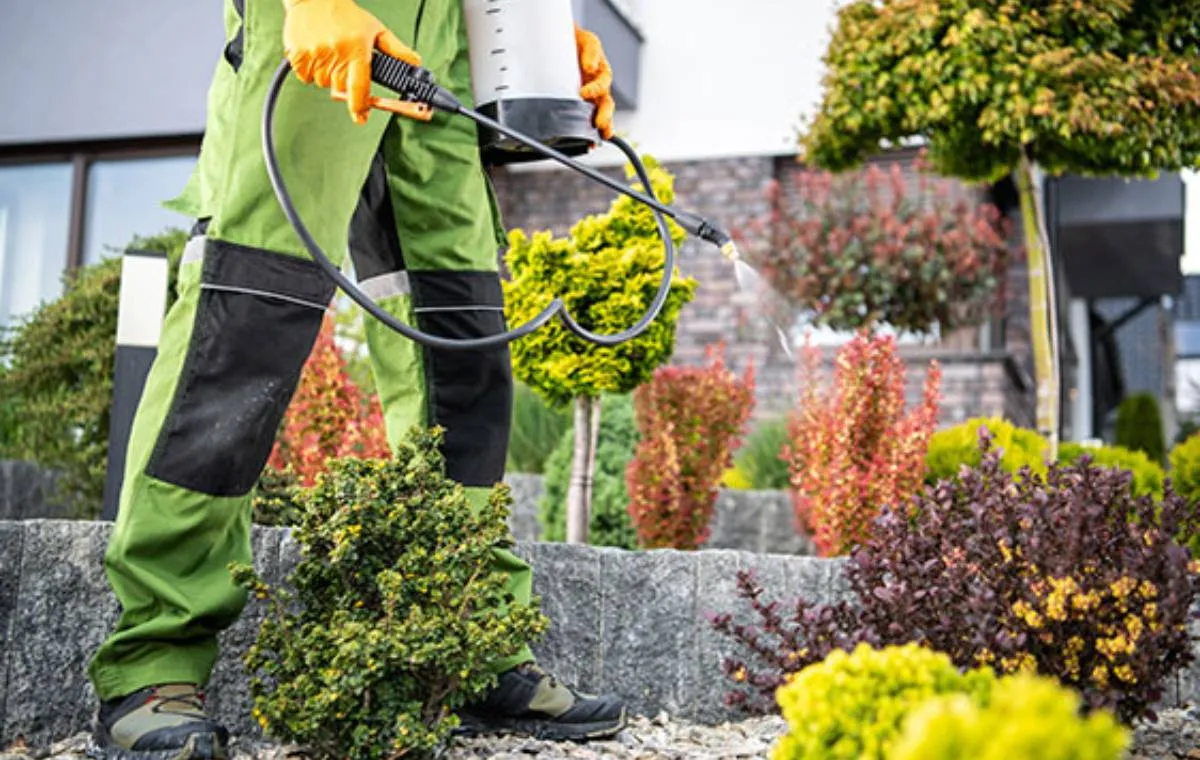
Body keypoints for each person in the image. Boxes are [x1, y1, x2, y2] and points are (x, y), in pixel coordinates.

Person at [86, 1, 623, 757]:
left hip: (452, 35)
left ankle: (464, 636)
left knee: (459, 333)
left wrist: (533, 38)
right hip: (324, 17)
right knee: (249, 314)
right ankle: (154, 659)